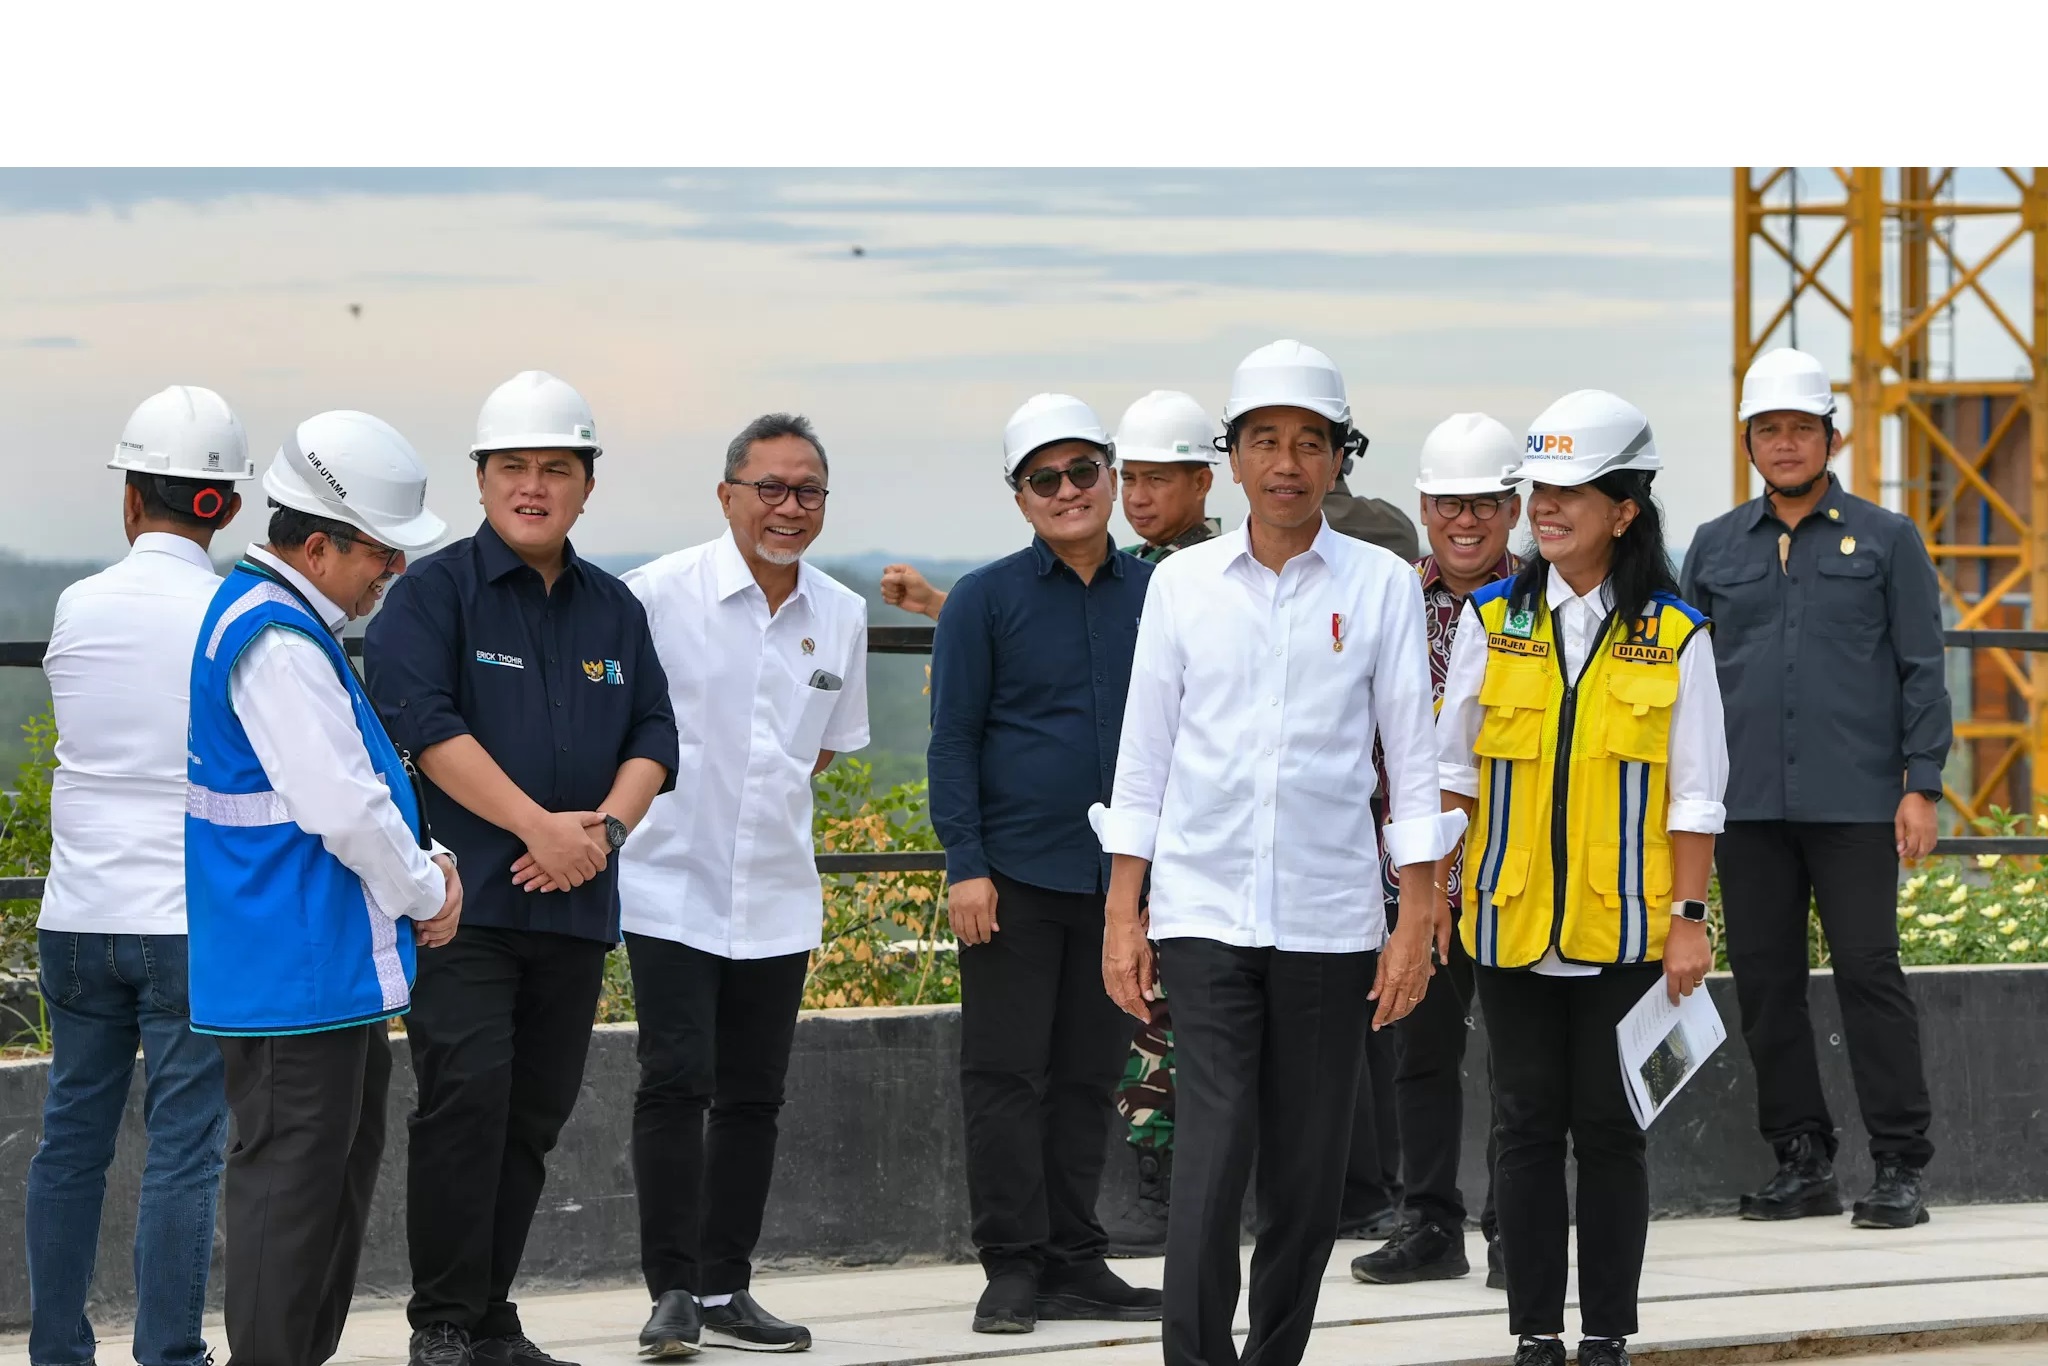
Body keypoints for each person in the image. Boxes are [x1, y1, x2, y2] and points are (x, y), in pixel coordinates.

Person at [1095, 339, 1461, 1366]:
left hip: (1327, 913)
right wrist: (1124, 911)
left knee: (1306, 1172)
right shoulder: (1184, 587)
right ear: (1235, 457)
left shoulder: (1381, 585)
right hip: (1203, 909)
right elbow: (1143, 755)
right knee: (1210, 1149)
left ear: (1339, 458)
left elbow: (1414, 763)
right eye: (1265, 441)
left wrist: (1414, 920)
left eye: (1309, 442)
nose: (1287, 462)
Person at [364, 371, 679, 1366]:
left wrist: (603, 834)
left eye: (555, 468)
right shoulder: (433, 593)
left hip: (577, 905)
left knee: (531, 1117)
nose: (532, 485)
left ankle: (491, 1315)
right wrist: (537, 826)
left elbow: (656, 732)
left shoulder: (614, 608)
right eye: (513, 467)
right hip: (463, 907)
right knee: (465, 1102)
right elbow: (423, 723)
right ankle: (443, 1323)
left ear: (585, 484)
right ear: (482, 479)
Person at [1436, 390, 1726, 1366]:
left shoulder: (1677, 634)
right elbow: (1451, 774)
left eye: (1569, 492)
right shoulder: (1490, 618)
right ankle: (1532, 1334)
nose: (1543, 509)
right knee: (1520, 1129)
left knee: (1608, 1133)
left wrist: (1687, 920)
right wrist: (1433, 894)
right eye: (1538, 492)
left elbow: (1695, 795)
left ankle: (1603, 1333)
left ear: (1624, 508)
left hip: (1626, 935)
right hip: (1507, 926)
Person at [184, 410, 461, 1366]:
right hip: (291, 975)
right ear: (317, 544)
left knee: (325, 1190)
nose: (392, 573)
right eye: (381, 554)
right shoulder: (280, 643)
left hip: (317, 972)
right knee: (290, 1202)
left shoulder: (289, 624)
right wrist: (429, 891)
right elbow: (343, 806)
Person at [616, 413, 869, 1357]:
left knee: (756, 1096)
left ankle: (728, 1288)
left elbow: (827, 751)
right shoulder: (654, 598)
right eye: (769, 487)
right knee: (675, 1083)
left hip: (774, 888)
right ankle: (671, 1292)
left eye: (808, 491)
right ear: (727, 495)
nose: (789, 508)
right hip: (669, 880)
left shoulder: (838, 615)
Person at [1681, 347, 1948, 1229]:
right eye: (1769, 430)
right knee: (1765, 982)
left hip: (1855, 801)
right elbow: (1683, 684)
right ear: (1750, 442)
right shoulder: (1716, 547)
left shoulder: (1886, 538)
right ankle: (1802, 1158)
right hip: (1746, 804)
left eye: (1801, 429)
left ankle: (1901, 1165)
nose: (1785, 443)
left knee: (1870, 973)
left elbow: (1920, 666)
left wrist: (1923, 785)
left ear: (1831, 437)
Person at [929, 393, 1163, 1335]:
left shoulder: (1160, 593)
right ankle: (1012, 1265)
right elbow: (953, 739)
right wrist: (965, 864)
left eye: (1083, 471)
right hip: (1014, 876)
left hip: (1120, 886)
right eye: (1045, 479)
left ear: (1111, 475)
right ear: (1020, 495)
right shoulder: (986, 599)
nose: (1067, 491)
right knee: (1003, 1076)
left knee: (1086, 1075)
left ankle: (1075, 1257)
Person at [28, 387, 252, 1366]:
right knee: (182, 1144)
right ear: (227, 507)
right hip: (187, 921)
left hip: (75, 919)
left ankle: (56, 1349)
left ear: (131, 497)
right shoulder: (233, 612)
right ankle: (168, 1352)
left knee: (70, 1138)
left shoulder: (77, 605)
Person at [1351, 413, 1521, 1290]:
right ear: (1423, 504)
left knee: (1518, 1055)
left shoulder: (1545, 603)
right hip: (1410, 870)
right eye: (1450, 503)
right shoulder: (1387, 598)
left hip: (1520, 870)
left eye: (1486, 504)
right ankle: (1429, 1223)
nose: (1466, 520)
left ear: (1514, 507)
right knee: (1419, 1049)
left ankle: (1514, 1227)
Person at [878, 389, 1222, 626]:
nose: (1138, 497)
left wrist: (936, 604)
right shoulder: (1131, 561)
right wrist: (936, 603)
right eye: (1131, 479)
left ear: (1200, 483)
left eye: (1156, 480)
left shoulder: (1213, 574)